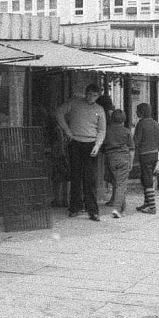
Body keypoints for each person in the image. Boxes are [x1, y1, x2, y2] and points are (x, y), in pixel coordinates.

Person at [55, 82, 106, 221]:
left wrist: (98, 144)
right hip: (76, 142)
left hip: (91, 143)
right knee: (76, 176)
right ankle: (75, 207)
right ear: (86, 93)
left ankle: (93, 210)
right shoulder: (75, 103)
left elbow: (102, 130)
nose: (91, 97)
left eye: (95, 95)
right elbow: (59, 112)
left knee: (90, 179)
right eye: (89, 94)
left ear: (98, 96)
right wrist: (67, 131)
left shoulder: (99, 109)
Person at [131, 102, 159, 215]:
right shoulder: (156, 123)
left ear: (142, 112)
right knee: (146, 177)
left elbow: (136, 141)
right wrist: (156, 148)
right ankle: (146, 203)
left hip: (144, 155)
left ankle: (152, 207)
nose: (136, 113)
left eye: (137, 111)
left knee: (147, 179)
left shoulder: (141, 124)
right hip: (154, 154)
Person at [103, 109, 134, 218]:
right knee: (121, 184)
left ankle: (122, 209)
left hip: (111, 159)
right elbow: (131, 148)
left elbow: (103, 145)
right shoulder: (126, 131)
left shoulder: (107, 130)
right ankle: (117, 209)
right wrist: (131, 162)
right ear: (124, 119)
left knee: (117, 183)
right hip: (123, 158)